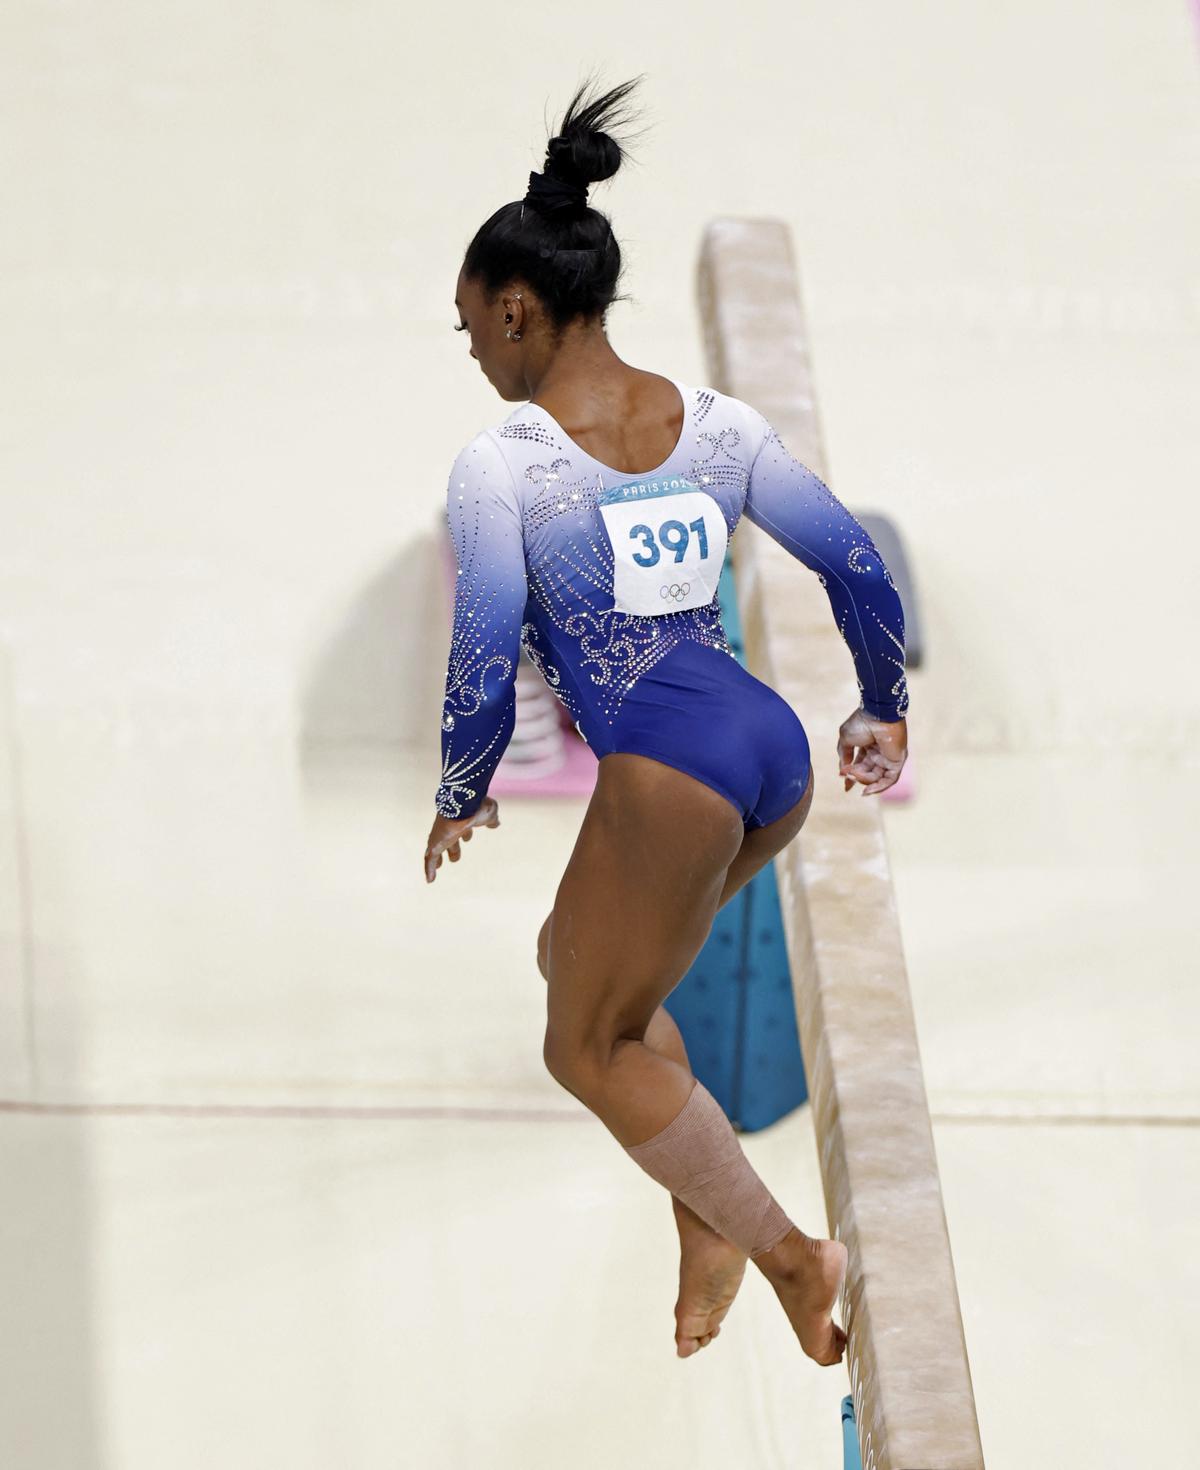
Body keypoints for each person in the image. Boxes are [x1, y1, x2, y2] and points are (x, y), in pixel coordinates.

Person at [423, 74, 909, 1364]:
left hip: (669, 767)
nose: (473, 352)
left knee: (583, 1043)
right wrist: (882, 706)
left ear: (519, 310)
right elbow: (856, 565)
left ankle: (787, 1253)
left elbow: (482, 656)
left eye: (472, 327)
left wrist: (463, 784)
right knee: (585, 979)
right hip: (766, 750)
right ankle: (707, 1223)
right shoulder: (718, 425)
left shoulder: (506, 462)